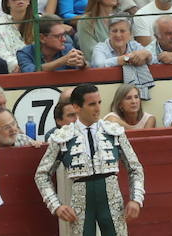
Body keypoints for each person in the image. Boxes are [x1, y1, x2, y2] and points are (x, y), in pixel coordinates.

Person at [34, 84, 145, 235]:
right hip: (80, 203)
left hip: (112, 200)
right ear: (76, 107)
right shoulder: (62, 137)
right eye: (92, 104)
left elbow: (135, 168)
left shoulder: (114, 131)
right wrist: (56, 205)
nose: (98, 108)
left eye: (99, 102)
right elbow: (41, 175)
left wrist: (136, 199)